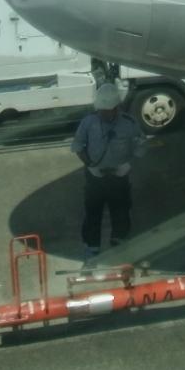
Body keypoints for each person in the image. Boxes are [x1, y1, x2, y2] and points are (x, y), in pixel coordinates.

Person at [71, 82, 145, 263]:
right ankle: (92, 247)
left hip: (119, 177)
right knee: (92, 212)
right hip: (95, 178)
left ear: (116, 108)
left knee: (121, 210)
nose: (104, 114)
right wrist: (90, 165)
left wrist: (128, 165)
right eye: (101, 111)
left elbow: (141, 146)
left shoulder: (129, 123)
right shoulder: (88, 122)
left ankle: (118, 241)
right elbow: (78, 146)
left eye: (108, 111)